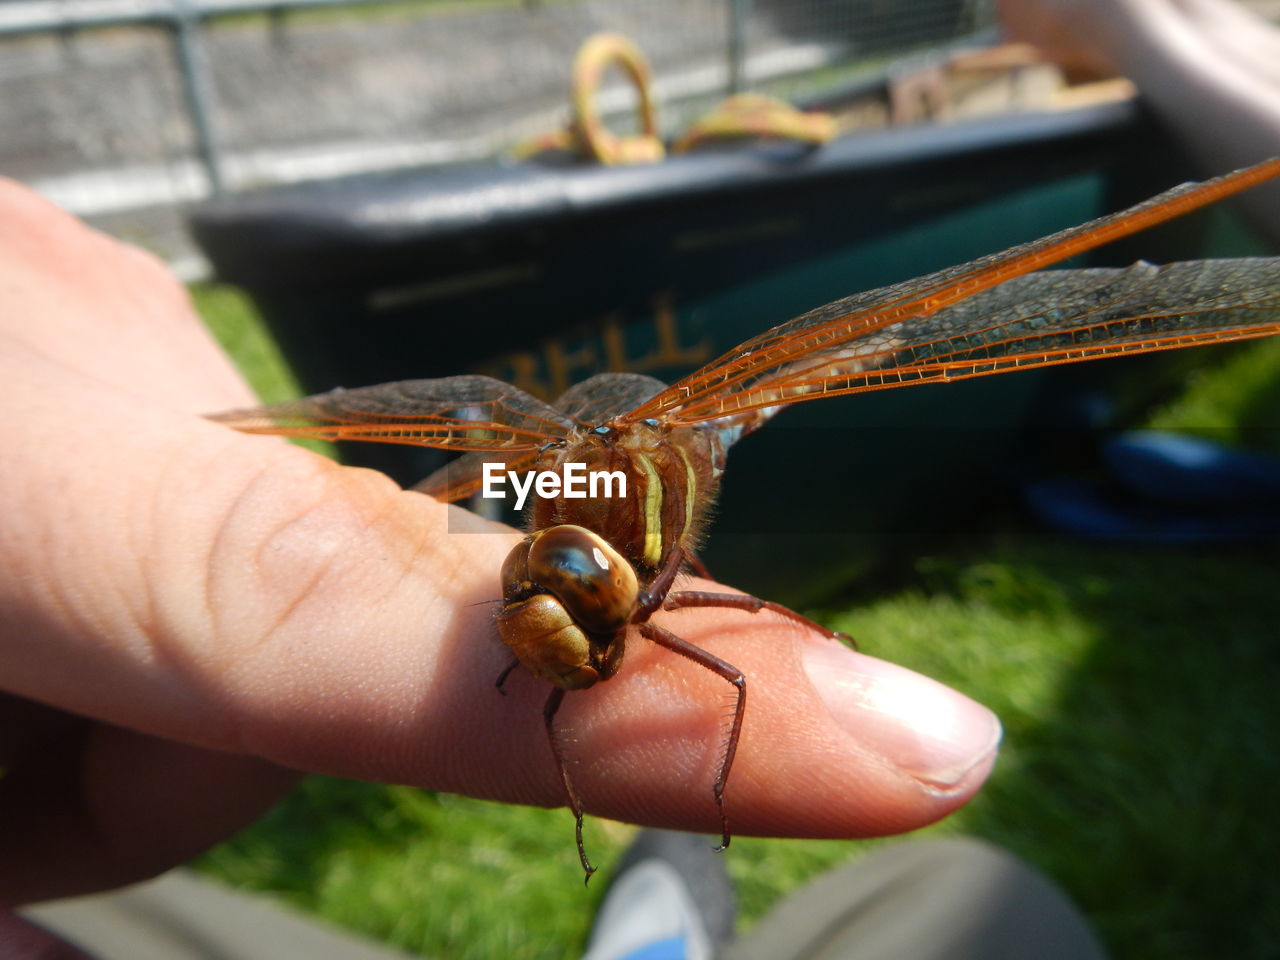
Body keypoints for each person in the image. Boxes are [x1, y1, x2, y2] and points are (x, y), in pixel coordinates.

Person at [0, 179, 999, 951]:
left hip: (654, 445)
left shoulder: (652, 567)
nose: (544, 622)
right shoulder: (547, 544)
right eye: (532, 586)